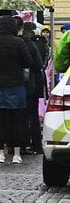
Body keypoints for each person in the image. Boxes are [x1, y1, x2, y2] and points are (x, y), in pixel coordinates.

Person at [0, 16, 35, 165]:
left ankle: (0, 153)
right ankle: (16, 154)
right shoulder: (19, 42)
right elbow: (28, 62)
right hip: (16, 86)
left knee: (1, 120)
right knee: (18, 121)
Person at [20, 21, 46, 155]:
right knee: (33, 114)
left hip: (25, 83)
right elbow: (39, 64)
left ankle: (24, 144)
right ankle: (35, 144)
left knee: (24, 115)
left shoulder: (25, 43)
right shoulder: (34, 44)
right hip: (33, 83)